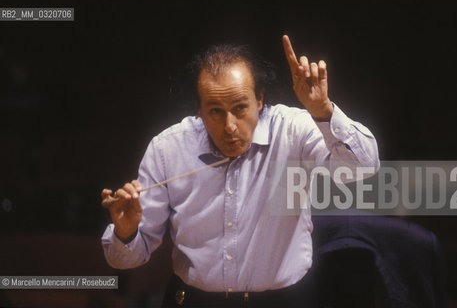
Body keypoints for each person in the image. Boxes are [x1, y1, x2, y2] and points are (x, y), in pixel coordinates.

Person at [101, 35, 379, 307]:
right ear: (199, 109)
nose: (230, 126)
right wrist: (126, 233)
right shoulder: (167, 149)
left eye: (240, 107)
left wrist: (322, 110)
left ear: (259, 99)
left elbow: (364, 167)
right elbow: (124, 259)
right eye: (215, 111)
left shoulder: (292, 129)